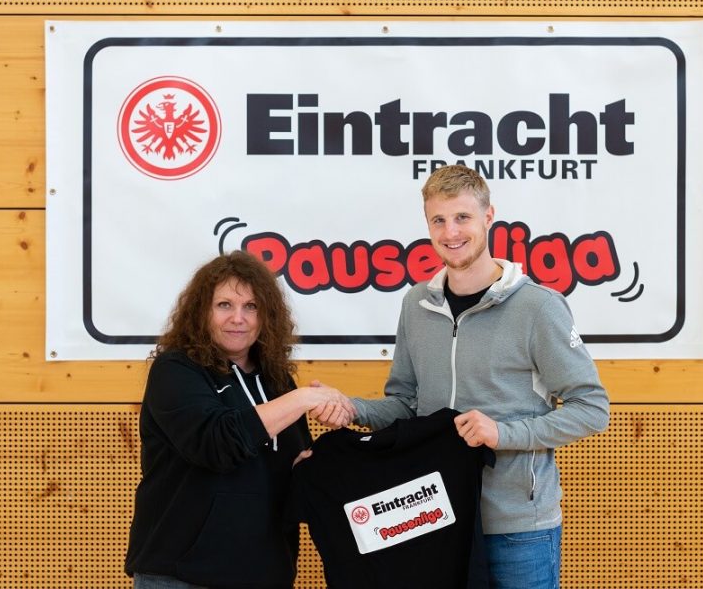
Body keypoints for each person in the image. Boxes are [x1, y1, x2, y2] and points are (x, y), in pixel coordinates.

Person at [321, 164, 610, 589]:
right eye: (438, 220)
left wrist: (503, 434)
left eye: (462, 217)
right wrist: (351, 409)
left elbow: (592, 410)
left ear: (488, 216)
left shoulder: (538, 307)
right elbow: (406, 405)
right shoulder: (417, 305)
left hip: (516, 528)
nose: (451, 232)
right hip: (439, 521)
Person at [125, 250, 355, 589]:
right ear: (201, 311)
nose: (238, 318)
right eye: (224, 305)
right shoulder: (176, 370)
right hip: (180, 576)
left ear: (266, 316)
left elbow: (290, 470)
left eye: (251, 306)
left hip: (264, 575)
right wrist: (305, 398)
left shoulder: (277, 381)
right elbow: (217, 443)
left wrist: (316, 465)